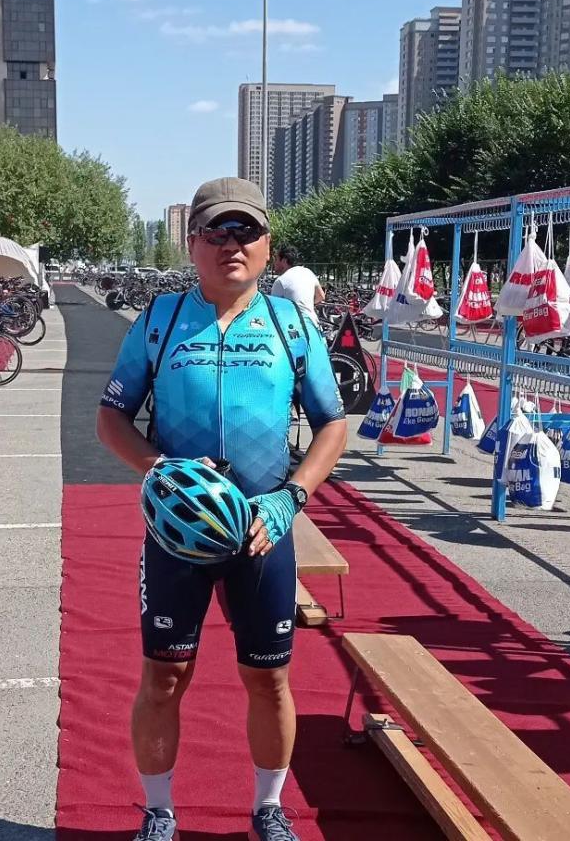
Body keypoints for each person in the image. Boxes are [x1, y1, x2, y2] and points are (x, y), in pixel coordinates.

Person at [96, 177, 347, 841]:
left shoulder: (292, 325)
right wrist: (160, 469)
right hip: (178, 534)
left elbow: (332, 425)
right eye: (216, 231)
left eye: (246, 231)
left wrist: (292, 497)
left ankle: (269, 808)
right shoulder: (160, 321)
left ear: (267, 245)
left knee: (268, 679)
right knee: (164, 677)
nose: (231, 244)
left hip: (262, 530)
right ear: (193, 243)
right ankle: (159, 812)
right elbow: (111, 418)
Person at [270, 244, 324, 327]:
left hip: (294, 328)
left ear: (284, 261)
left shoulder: (281, 281)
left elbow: (273, 310)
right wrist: (306, 305)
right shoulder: (308, 272)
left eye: (276, 259)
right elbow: (321, 296)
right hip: (314, 325)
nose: (274, 263)